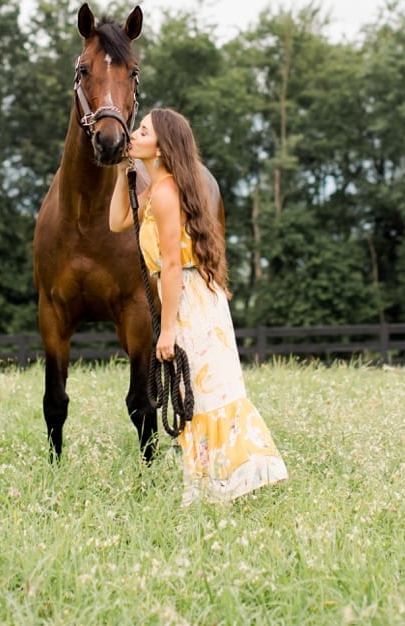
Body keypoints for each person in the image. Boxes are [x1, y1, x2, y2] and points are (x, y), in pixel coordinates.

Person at [109, 107, 288, 505]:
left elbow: (172, 264)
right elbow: (117, 221)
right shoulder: (153, 190)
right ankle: (212, 487)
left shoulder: (168, 193)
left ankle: (225, 485)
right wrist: (125, 174)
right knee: (197, 397)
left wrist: (168, 329)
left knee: (206, 396)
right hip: (183, 295)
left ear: (161, 146)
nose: (133, 136)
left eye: (142, 132)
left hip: (189, 298)